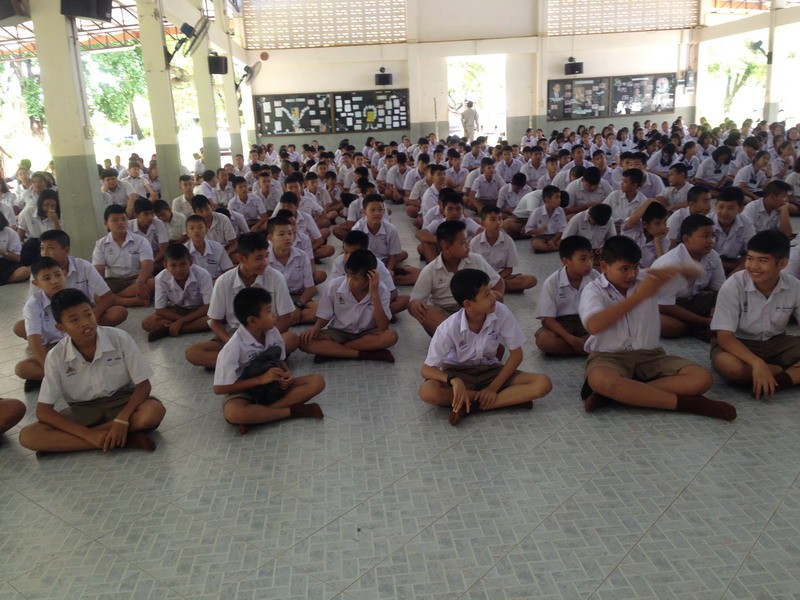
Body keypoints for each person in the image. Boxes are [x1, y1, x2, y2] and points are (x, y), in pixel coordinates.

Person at [577, 235, 736, 420]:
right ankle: (690, 404)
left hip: (650, 355)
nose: (631, 275)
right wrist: (639, 297)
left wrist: (676, 269)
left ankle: (618, 396)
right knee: (602, 381)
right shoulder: (593, 290)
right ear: (604, 267)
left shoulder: (646, 279)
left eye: (636, 267)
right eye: (624, 269)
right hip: (609, 356)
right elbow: (594, 325)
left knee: (702, 378)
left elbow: (692, 272)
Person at [18, 289, 166, 454]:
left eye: (88, 314)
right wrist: (86, 434)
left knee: (153, 412)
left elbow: (144, 386)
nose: (85, 323)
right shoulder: (56, 356)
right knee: (28, 435)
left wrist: (122, 419)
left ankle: (77, 441)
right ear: (61, 327)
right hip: (83, 410)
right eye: (74, 320)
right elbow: (43, 411)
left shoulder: (119, 338)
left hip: (122, 401)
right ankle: (122, 439)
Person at [418, 268, 552, 426]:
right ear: (468, 304)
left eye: (491, 291)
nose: (494, 297)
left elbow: (517, 354)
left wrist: (492, 388)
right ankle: (506, 399)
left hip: (490, 371)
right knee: (428, 392)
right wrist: (453, 381)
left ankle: (469, 406)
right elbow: (426, 369)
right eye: (487, 294)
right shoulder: (449, 327)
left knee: (543, 383)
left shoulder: (501, 311)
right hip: (459, 372)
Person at [213, 287, 326, 434]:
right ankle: (293, 411)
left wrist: (287, 374)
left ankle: (259, 415)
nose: (274, 315)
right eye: (268, 311)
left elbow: (280, 359)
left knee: (317, 382)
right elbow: (219, 388)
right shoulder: (233, 346)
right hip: (245, 391)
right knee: (233, 413)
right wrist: (260, 380)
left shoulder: (273, 332)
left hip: (274, 385)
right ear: (252, 321)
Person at [184, 233, 297, 369]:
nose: (265, 262)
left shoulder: (276, 277)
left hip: (268, 334)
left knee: (291, 339)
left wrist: (267, 340)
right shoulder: (224, 281)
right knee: (193, 353)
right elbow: (214, 322)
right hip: (236, 335)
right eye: (259, 258)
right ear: (241, 258)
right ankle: (259, 363)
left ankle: (239, 364)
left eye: (267, 256)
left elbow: (285, 318)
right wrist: (231, 343)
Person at [710, 230, 800, 399]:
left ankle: (779, 379)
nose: (753, 266)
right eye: (750, 258)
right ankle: (782, 372)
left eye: (762, 260)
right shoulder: (733, 285)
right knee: (732, 368)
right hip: (738, 343)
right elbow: (725, 338)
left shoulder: (794, 286)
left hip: (777, 343)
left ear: (782, 264)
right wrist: (757, 362)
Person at [299, 249, 398, 363]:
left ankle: (334, 351)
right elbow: (324, 315)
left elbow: (383, 327)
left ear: (369, 277)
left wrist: (374, 295)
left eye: (355, 278)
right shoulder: (334, 286)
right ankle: (363, 354)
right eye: (348, 276)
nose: (350, 281)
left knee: (390, 336)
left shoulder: (381, 290)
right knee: (304, 342)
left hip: (367, 334)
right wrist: (315, 328)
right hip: (339, 332)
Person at [410, 220, 504, 336]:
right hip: (446, 316)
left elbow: (498, 282)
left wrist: (492, 301)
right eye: (463, 242)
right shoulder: (430, 270)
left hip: (475, 309)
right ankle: (455, 339)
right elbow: (414, 299)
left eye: (468, 240)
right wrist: (415, 305)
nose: (468, 245)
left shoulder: (476, 260)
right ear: (446, 248)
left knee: (496, 297)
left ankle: (474, 336)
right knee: (426, 312)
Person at [652, 214, 725, 339]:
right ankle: (699, 328)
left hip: (693, 300)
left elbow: (721, 290)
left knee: (729, 298)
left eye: (713, 236)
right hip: (665, 307)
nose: (711, 241)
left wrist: (714, 312)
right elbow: (664, 305)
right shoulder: (670, 263)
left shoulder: (713, 256)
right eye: (705, 236)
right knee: (672, 327)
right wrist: (705, 322)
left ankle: (700, 327)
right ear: (686, 239)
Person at [535, 235, 599, 356]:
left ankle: (579, 348)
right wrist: (570, 339)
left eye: (591, 257)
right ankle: (586, 348)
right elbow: (548, 320)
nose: (589, 263)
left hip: (587, 322)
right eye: (583, 259)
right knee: (544, 340)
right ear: (566, 261)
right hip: (561, 324)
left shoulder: (595, 276)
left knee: (610, 333)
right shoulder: (552, 282)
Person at [15, 258, 68, 390]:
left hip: (76, 344)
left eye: (58, 275)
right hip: (51, 349)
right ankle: (63, 377)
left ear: (64, 274)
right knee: (22, 368)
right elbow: (34, 341)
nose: (55, 281)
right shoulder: (33, 304)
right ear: (36, 283)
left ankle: (55, 379)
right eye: (47, 278)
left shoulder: (74, 297)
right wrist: (47, 368)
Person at [141, 244, 212, 342]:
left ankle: (169, 329)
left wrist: (181, 322)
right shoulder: (161, 278)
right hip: (177, 310)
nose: (178, 270)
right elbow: (160, 309)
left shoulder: (203, 274)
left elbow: (208, 306)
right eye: (173, 265)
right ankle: (187, 327)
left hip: (198, 310)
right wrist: (181, 320)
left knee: (215, 318)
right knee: (147, 323)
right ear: (165, 265)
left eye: (183, 264)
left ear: (190, 262)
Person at [92, 204, 155, 307]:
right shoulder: (100, 244)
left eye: (123, 219)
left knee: (152, 283)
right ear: (106, 223)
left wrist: (140, 282)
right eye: (115, 220)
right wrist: (100, 288)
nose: (120, 223)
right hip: (113, 281)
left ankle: (113, 299)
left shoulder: (141, 241)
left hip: (135, 278)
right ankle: (131, 301)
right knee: (97, 294)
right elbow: (99, 270)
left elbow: (147, 265)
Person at [470, 205, 537, 292]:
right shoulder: (475, 242)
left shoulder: (508, 241)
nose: (498, 222)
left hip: (502, 276)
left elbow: (509, 269)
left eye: (500, 219)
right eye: (493, 220)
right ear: (483, 223)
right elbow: (473, 269)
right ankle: (497, 288)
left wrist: (498, 280)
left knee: (531, 280)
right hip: (482, 278)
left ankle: (493, 288)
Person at [266, 215, 317, 325]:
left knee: (319, 310)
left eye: (290, 233)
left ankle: (281, 321)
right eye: (281, 234)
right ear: (270, 238)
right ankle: (288, 320)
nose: (288, 238)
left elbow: (310, 288)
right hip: (273, 299)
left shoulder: (302, 256)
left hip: (296, 297)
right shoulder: (265, 259)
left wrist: (298, 306)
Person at [711, 187, 755, 275]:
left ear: (740, 209)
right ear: (715, 205)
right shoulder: (707, 221)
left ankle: (730, 280)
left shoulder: (746, 223)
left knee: (752, 259)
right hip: (709, 263)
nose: (724, 212)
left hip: (734, 264)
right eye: (721, 207)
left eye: (730, 208)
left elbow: (753, 250)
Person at [562, 202, 616, 268]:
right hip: (580, 252)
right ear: (590, 215)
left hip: (598, 252)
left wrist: (603, 248)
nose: (596, 226)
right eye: (595, 223)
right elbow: (566, 241)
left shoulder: (609, 221)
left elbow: (612, 240)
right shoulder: (577, 219)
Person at [621, 199, 670, 268]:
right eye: (657, 223)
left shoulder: (664, 240)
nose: (663, 227)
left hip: (645, 273)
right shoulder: (634, 227)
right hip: (624, 269)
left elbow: (662, 266)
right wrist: (649, 200)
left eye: (665, 222)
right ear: (645, 224)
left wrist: (657, 241)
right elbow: (634, 217)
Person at [184, 214, 233, 279]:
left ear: (206, 230)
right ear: (187, 232)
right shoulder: (183, 251)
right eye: (192, 228)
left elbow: (228, 270)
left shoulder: (218, 248)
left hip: (216, 282)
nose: (196, 231)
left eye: (200, 227)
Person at [128, 197, 169, 272]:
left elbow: (164, 247)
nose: (150, 217)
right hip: (137, 261)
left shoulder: (158, 223)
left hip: (156, 259)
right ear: (136, 215)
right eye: (145, 214)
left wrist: (150, 262)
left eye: (152, 213)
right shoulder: (128, 226)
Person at [526, 185, 566, 253]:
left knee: (566, 240)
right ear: (547, 200)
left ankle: (549, 248)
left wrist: (553, 240)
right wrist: (539, 230)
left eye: (559, 197)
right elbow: (528, 230)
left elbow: (563, 229)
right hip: (541, 237)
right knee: (535, 244)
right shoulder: (537, 212)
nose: (559, 200)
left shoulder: (560, 210)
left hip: (555, 236)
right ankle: (556, 249)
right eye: (556, 198)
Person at [0, 209, 29, 285]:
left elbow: (17, 258)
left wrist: (3, 252)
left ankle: (4, 280)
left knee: (24, 271)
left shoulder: (9, 232)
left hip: (5, 263)